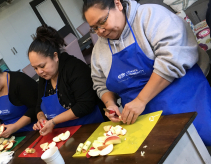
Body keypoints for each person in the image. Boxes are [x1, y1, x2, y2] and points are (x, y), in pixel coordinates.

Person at [83, 0, 211, 146]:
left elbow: (172, 59)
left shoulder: (150, 16)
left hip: (185, 103)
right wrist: (110, 103)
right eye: (94, 28)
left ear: (118, 4)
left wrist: (140, 101)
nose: (100, 31)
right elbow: (100, 83)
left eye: (103, 21)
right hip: (142, 120)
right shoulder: (99, 50)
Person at [28, 25, 105, 136]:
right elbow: (38, 105)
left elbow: (84, 105)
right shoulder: (44, 77)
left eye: (42, 66)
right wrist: (41, 118)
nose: (39, 72)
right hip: (64, 135)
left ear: (55, 56)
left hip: (92, 129)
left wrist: (53, 121)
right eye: (35, 68)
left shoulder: (74, 68)